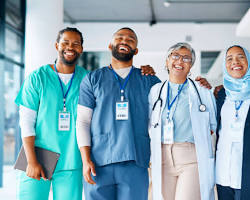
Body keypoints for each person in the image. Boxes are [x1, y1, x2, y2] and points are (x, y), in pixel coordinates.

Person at [15, 27, 88, 200]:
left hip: (71, 160)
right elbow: (26, 121)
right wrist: (32, 161)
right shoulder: (37, 78)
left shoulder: (87, 79)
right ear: (57, 45)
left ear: (81, 49)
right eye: (65, 42)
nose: (70, 47)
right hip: (37, 156)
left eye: (76, 44)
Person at [148, 42, 217, 200]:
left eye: (186, 58)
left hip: (191, 159)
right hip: (162, 157)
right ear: (167, 61)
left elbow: (212, 126)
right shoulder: (155, 91)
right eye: (176, 56)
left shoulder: (202, 90)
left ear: (191, 65)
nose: (180, 61)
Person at [215, 45, 250, 200]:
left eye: (241, 56)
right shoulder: (221, 94)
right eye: (229, 58)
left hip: (246, 172)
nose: (235, 61)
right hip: (223, 171)